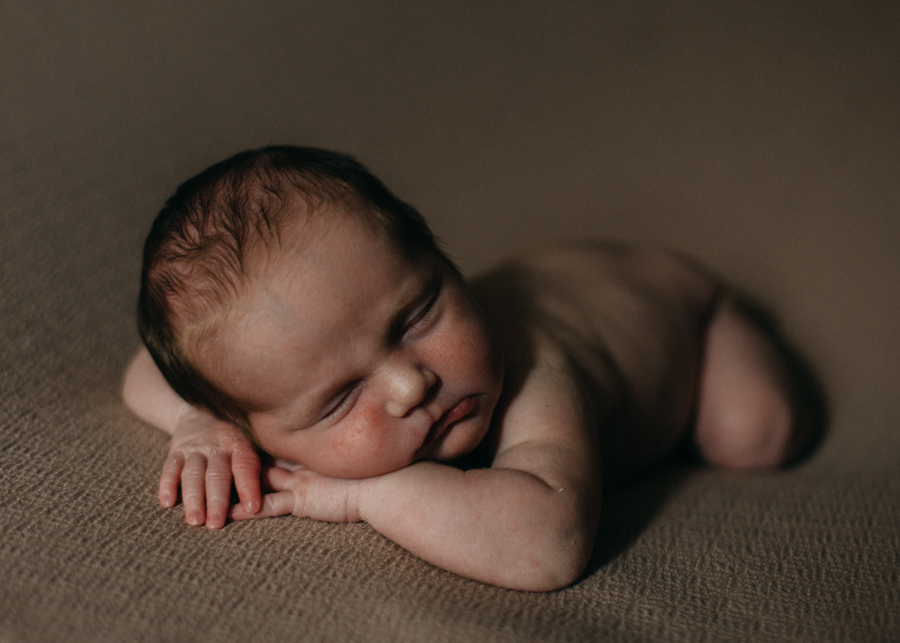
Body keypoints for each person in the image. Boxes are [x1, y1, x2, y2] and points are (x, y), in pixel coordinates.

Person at [122, 146, 817, 591]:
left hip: (672, 308)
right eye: (339, 398)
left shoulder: (537, 369)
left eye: (418, 313)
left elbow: (550, 542)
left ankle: (721, 304)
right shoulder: (253, 384)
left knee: (756, 431)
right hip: (569, 276)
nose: (410, 383)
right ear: (255, 419)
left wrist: (362, 496)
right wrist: (199, 423)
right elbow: (143, 372)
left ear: (443, 262)